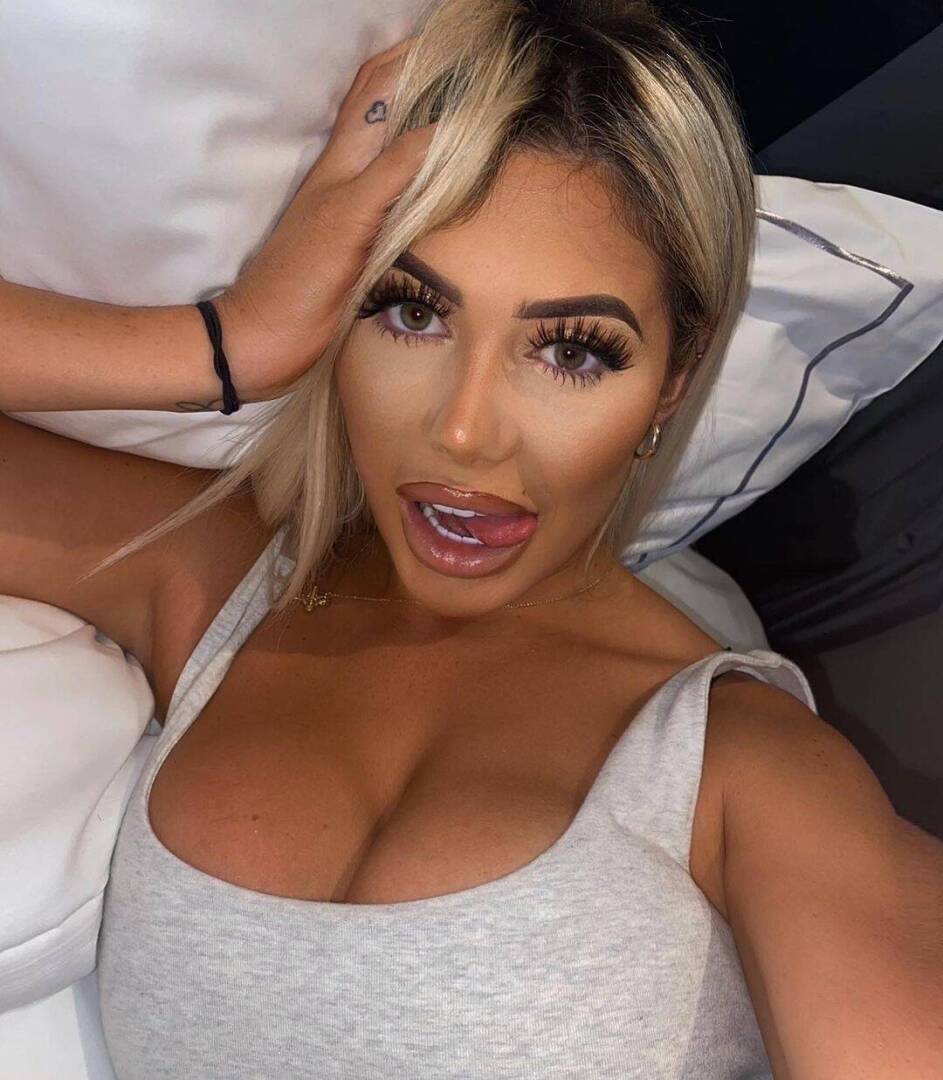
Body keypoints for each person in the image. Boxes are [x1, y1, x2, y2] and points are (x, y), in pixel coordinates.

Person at [1, 0, 940, 1076]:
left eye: (573, 351)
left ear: (674, 383)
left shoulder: (746, 773)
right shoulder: (216, 588)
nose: (463, 431)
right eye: (411, 312)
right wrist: (222, 345)